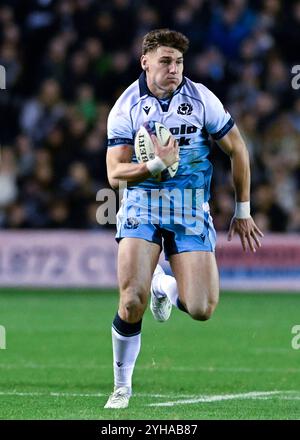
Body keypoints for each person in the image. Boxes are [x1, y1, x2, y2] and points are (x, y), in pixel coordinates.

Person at [104, 29, 263, 409]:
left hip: (190, 209)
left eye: (178, 62)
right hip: (142, 206)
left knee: (201, 308)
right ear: (145, 62)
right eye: (165, 61)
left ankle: (164, 286)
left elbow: (237, 148)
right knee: (130, 301)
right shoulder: (126, 106)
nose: (174, 68)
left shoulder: (201, 98)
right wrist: (154, 165)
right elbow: (114, 173)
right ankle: (122, 386)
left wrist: (243, 209)